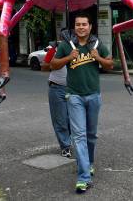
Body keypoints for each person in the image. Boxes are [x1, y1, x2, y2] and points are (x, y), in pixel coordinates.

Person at [50, 13, 113, 194]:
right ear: (74, 28)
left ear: (90, 26)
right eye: (78, 25)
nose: (81, 27)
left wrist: (98, 58)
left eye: (84, 24)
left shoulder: (97, 44)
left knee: (91, 135)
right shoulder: (66, 45)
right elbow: (53, 65)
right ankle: (83, 177)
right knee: (79, 136)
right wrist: (68, 58)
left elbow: (110, 65)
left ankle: (89, 164)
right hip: (74, 96)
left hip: (93, 95)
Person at [44, 30, 72, 158]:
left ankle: (70, 140)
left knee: (73, 119)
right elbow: (45, 66)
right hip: (56, 88)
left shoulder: (76, 49)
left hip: (73, 89)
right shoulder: (54, 49)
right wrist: (57, 58)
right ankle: (65, 146)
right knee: (60, 120)